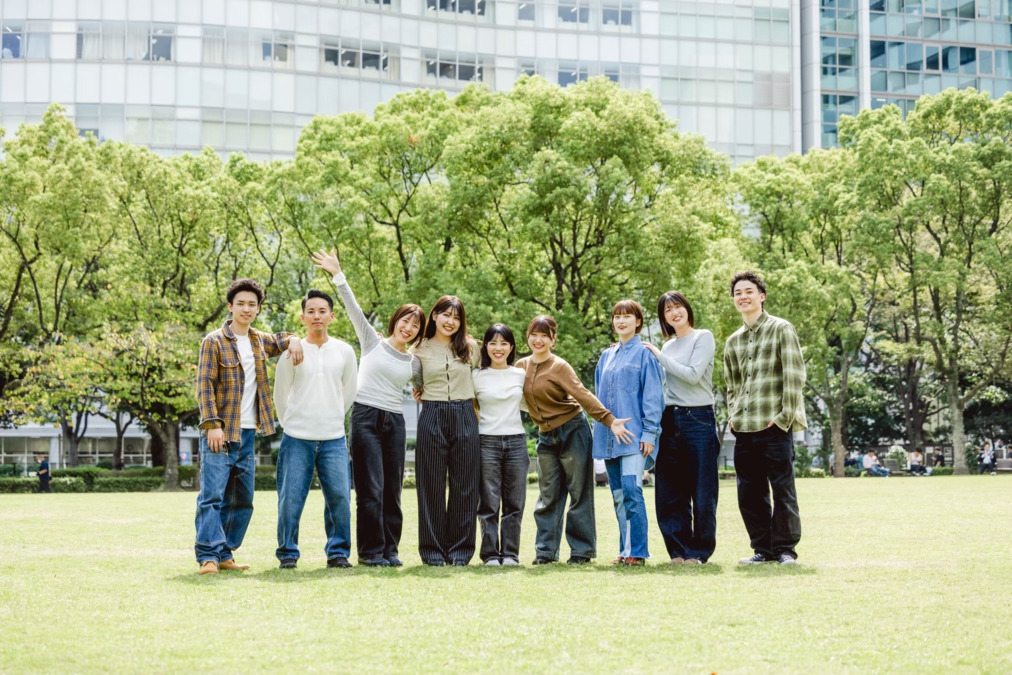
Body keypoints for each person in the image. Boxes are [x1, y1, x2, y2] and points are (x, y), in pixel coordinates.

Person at [314, 249, 425, 568]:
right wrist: (338, 274)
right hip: (365, 417)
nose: (409, 327)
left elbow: (421, 385)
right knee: (371, 489)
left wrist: (420, 392)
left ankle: (391, 549)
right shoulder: (372, 341)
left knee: (393, 490)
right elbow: (352, 306)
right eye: (406, 320)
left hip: (395, 422)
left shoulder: (414, 361)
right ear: (396, 321)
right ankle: (371, 552)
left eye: (416, 325)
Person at [194, 278, 304, 576]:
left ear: (258, 309)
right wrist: (212, 424)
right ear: (230, 306)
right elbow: (204, 386)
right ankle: (207, 556)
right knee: (213, 496)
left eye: (252, 304)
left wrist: (293, 339)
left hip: (247, 432)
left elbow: (284, 339)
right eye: (240, 303)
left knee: (242, 498)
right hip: (220, 431)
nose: (246, 308)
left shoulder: (258, 340)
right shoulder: (213, 341)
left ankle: (225, 552)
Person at [517, 315, 633, 566]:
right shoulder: (521, 366)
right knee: (548, 495)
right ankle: (545, 552)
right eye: (534, 334)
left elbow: (582, 394)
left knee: (579, 493)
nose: (538, 339)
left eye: (544, 335)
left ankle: (581, 551)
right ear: (528, 337)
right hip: (546, 435)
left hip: (573, 431)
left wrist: (609, 420)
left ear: (553, 339)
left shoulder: (559, 366)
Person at [723, 271, 806, 566]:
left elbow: (794, 376)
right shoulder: (733, 342)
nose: (742, 297)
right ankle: (763, 549)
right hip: (744, 429)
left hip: (774, 426)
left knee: (783, 490)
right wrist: (732, 415)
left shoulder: (781, 329)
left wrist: (784, 417)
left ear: (761, 295)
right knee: (749, 494)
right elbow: (731, 385)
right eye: (737, 293)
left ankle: (785, 549)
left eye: (748, 291)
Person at [273, 289, 358, 570]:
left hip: (333, 438)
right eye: (311, 311)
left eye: (322, 311)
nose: (317, 315)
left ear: (332, 316)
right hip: (296, 438)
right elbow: (280, 395)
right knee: (290, 499)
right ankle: (287, 553)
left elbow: (349, 393)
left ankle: (337, 553)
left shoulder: (344, 352)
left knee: (340, 498)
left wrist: (332, 417)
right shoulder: (291, 352)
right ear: (303, 316)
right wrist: (291, 423)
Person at [643, 291, 720, 565]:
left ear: (687, 309)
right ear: (664, 318)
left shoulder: (703, 337)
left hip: (698, 418)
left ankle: (698, 552)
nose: (674, 313)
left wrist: (655, 353)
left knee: (702, 491)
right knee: (669, 492)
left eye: (678, 307)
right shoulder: (667, 346)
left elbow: (691, 375)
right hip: (669, 418)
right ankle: (677, 550)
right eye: (667, 310)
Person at [410, 296, 481, 566]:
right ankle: (433, 551)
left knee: (465, 485)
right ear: (435, 316)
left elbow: (489, 371)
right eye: (446, 315)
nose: (451, 321)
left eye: (456, 317)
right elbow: (415, 380)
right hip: (432, 414)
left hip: (465, 414)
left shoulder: (470, 347)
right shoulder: (418, 348)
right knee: (431, 486)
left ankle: (461, 551)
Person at [593, 300, 664, 566]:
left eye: (627, 316)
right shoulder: (606, 356)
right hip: (609, 438)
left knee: (633, 490)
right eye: (617, 317)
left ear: (638, 322)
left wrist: (650, 433)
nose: (621, 321)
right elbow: (599, 399)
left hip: (635, 438)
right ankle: (624, 550)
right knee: (618, 495)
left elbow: (653, 396)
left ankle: (638, 552)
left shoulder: (645, 354)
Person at [473, 324, 528, 567]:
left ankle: (510, 554)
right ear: (485, 346)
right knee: (489, 502)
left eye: (504, 343)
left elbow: (531, 402)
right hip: (486, 441)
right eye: (493, 343)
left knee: (515, 502)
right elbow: (469, 405)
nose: (498, 348)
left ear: (511, 347)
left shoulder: (520, 374)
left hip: (516, 441)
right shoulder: (476, 375)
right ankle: (490, 554)